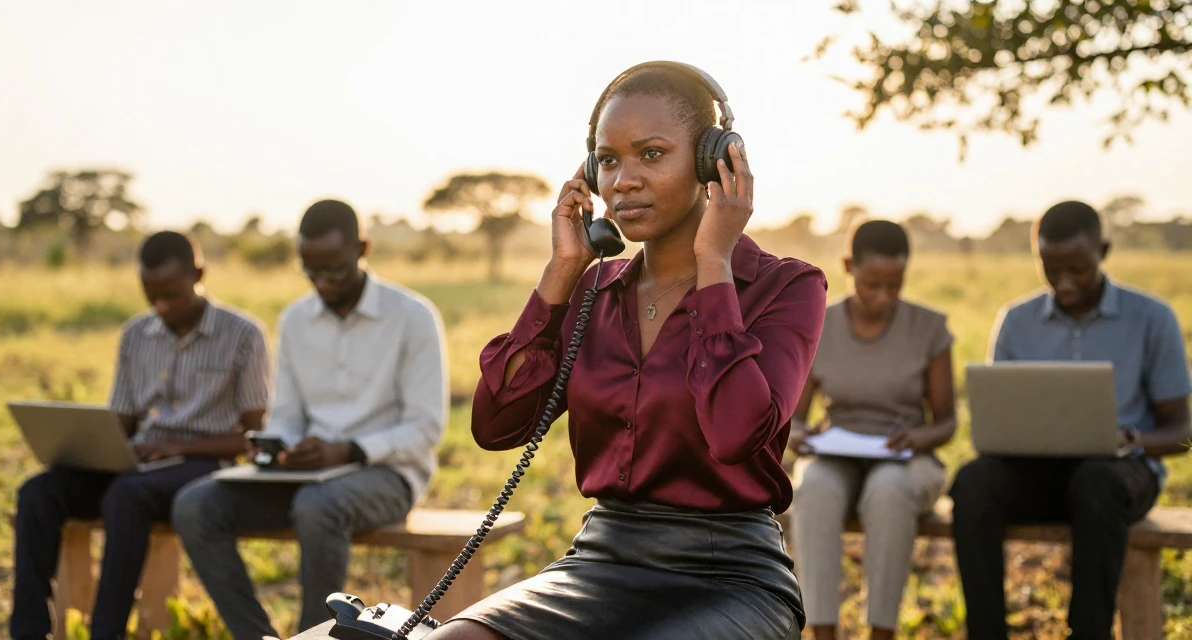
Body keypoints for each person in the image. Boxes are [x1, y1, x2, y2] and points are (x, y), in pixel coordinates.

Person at [431, 62, 826, 640]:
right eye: (608, 161)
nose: (623, 181)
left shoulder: (786, 287)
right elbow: (498, 425)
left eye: (652, 154)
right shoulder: (592, 290)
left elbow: (736, 433)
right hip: (600, 561)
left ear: (713, 162)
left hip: (730, 573)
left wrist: (714, 263)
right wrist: (563, 270)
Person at [172, 199, 449, 639]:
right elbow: (286, 416)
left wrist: (348, 451)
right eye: (310, 270)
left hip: (388, 473)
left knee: (318, 507)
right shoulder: (296, 320)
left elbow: (425, 426)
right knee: (194, 505)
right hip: (306, 475)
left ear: (362, 249)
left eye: (333, 270)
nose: (321, 281)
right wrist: (278, 447)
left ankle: (314, 636)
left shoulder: (412, 317)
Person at [950, 201, 1192, 640]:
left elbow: (1181, 430)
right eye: (1050, 268)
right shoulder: (1016, 321)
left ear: (1104, 250)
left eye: (1078, 268)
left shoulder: (1152, 318)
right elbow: (998, 416)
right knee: (972, 483)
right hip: (1036, 475)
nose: (1064, 281)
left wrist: (1128, 438)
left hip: (1119, 476)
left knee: (1097, 481)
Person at [11, 231, 269, 640]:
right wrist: (84, 447)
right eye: (151, 296)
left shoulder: (243, 335)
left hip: (204, 465)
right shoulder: (136, 334)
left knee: (126, 495)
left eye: (171, 295)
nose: (161, 306)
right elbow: (124, 423)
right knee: (38, 492)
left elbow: (253, 437)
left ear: (199, 275)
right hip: (141, 463)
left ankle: (106, 634)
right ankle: (27, 633)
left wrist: (176, 446)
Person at [787, 219, 956, 640]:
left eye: (895, 285)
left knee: (889, 490)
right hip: (837, 453)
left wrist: (919, 438)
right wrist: (798, 434)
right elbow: (795, 415)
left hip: (907, 458)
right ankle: (821, 632)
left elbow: (947, 421)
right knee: (813, 489)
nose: (884, 296)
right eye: (873, 285)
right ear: (849, 267)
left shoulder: (929, 328)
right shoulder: (819, 324)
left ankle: (882, 632)